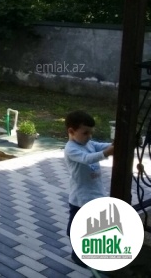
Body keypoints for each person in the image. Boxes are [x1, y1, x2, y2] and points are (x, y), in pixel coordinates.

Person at [64, 110, 114, 268]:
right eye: (85, 133)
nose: (89, 136)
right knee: (77, 228)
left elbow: (102, 146)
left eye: (91, 132)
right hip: (80, 199)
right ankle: (77, 256)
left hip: (96, 195)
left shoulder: (89, 144)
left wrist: (116, 145)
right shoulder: (71, 149)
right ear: (71, 131)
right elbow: (87, 159)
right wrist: (106, 153)